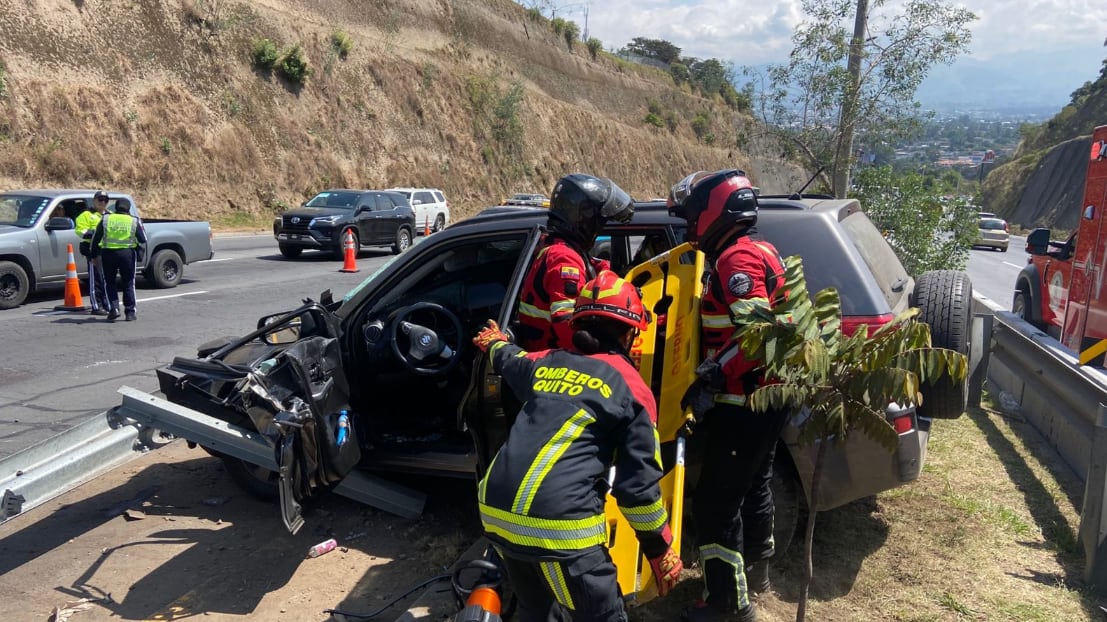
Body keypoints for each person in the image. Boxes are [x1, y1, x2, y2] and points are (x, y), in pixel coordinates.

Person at [472, 270, 682, 621]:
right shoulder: (632, 389)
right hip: (559, 529)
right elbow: (637, 491)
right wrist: (660, 550)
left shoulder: (546, 363)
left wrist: (494, 342)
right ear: (631, 333)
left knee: (537, 609)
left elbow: (511, 360)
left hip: (495, 511)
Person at [667, 170, 788, 622]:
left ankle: (728, 604)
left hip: (745, 399)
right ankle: (758, 573)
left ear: (715, 211)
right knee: (754, 485)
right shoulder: (762, 248)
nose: (690, 225)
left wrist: (713, 375)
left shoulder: (735, 260)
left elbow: (757, 334)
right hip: (770, 396)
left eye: (693, 215)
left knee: (717, 503)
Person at [515, 173, 634, 351]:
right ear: (582, 220)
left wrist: (621, 280)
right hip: (552, 360)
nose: (599, 228)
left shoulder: (563, 248)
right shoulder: (563, 258)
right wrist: (604, 353)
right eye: (598, 222)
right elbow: (569, 327)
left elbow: (593, 266)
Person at [90, 197, 147, 322]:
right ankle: (130, 312)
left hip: (108, 254)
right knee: (128, 283)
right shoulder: (133, 220)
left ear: (115, 207)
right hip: (127, 254)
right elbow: (143, 239)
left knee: (109, 282)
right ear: (128, 208)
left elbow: (95, 239)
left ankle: (114, 308)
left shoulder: (106, 219)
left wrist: (93, 255)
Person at [74, 191, 111, 315]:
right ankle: (97, 306)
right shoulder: (86, 215)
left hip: (108, 251)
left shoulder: (110, 215)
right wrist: (95, 233)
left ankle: (107, 304)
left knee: (107, 279)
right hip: (94, 250)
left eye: (105, 200)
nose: (102, 202)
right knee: (96, 279)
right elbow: (80, 230)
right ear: (94, 200)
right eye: (100, 199)